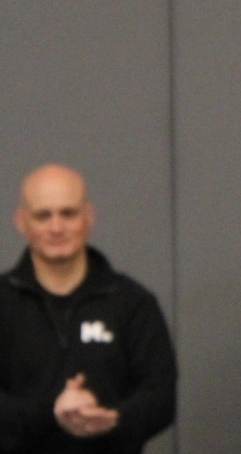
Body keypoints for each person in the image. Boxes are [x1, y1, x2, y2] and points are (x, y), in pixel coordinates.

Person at [0, 163, 177, 454]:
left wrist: (111, 420)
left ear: (89, 216)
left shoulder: (132, 302)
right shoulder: (4, 302)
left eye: (68, 213)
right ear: (21, 222)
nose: (57, 227)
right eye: (43, 215)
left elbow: (160, 397)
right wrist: (51, 416)